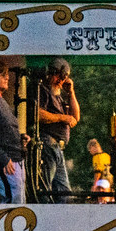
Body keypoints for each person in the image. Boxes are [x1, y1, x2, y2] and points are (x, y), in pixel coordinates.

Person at [0, 65, 29, 204]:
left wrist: (21, 139)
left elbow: (3, 129)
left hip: (15, 157)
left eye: (7, 74)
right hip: (5, 160)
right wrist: (3, 158)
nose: (7, 77)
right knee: (11, 197)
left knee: (18, 196)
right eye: (2, 75)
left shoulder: (1, 100)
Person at [37, 57, 79, 202]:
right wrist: (62, 118)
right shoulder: (43, 90)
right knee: (45, 189)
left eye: (63, 79)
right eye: (58, 77)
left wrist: (71, 93)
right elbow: (38, 114)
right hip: (48, 144)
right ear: (51, 73)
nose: (60, 82)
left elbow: (75, 117)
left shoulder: (59, 96)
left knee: (65, 193)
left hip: (58, 149)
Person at [87, 138, 114, 202]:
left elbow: (98, 172)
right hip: (110, 181)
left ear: (93, 147)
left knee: (97, 195)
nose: (90, 152)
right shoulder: (106, 155)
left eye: (90, 149)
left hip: (102, 180)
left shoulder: (96, 157)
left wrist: (94, 185)